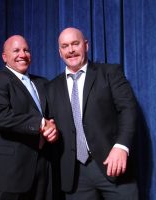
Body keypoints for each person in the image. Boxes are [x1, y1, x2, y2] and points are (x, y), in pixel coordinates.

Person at [47, 27, 138, 200]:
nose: (71, 50)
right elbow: (51, 123)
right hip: (75, 175)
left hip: (113, 164)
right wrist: (49, 129)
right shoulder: (51, 88)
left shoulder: (110, 73)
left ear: (86, 45)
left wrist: (121, 147)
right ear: (60, 52)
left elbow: (128, 109)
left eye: (75, 44)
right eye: (65, 46)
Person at [0, 35, 59, 200]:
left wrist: (53, 129)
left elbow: (53, 116)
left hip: (45, 169)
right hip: (12, 173)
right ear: (4, 57)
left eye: (26, 50)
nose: (22, 54)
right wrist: (39, 123)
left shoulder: (43, 83)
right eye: (16, 50)